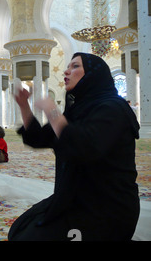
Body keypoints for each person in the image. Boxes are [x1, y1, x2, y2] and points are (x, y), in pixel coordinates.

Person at [8, 52, 140, 241]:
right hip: (75, 197)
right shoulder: (77, 110)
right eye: (67, 66)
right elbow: (38, 138)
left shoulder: (113, 108)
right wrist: (24, 106)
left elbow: (84, 146)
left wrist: (52, 111)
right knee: (21, 229)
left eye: (75, 66)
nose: (66, 71)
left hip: (107, 207)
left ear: (93, 75)